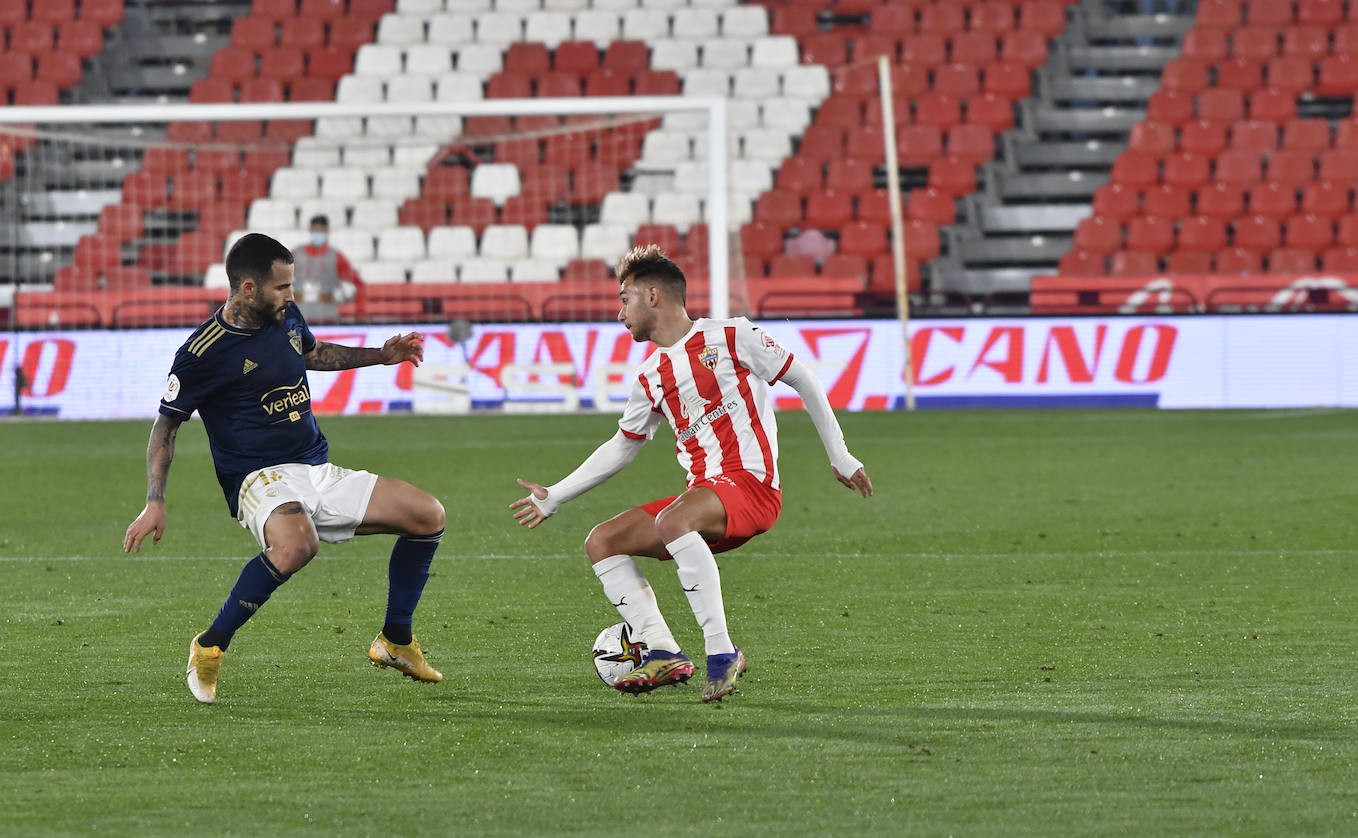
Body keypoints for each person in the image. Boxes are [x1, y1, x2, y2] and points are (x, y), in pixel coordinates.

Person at [508, 245, 874, 703]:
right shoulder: (650, 376)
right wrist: (556, 495)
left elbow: (803, 377)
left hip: (752, 487)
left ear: (653, 296)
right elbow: (623, 447)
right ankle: (661, 648)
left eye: (624, 299)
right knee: (601, 541)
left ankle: (722, 653)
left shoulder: (733, 335)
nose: (618, 312)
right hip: (704, 499)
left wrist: (840, 455)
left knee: (673, 520)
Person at [122, 233, 448, 704]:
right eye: (282, 287)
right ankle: (210, 646)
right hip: (257, 477)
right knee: (298, 544)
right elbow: (165, 428)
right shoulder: (201, 352)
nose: (292, 296)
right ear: (248, 288)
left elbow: (312, 354)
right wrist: (155, 501)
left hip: (314, 466)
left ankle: (395, 641)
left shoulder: (285, 316)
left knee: (428, 515)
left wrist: (380, 355)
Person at [292, 215, 367, 314]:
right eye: (315, 229)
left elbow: (358, 284)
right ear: (310, 229)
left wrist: (359, 311)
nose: (318, 233)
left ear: (327, 231)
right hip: (299, 311)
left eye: (321, 230)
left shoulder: (336, 256)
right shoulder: (296, 254)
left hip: (327, 312)